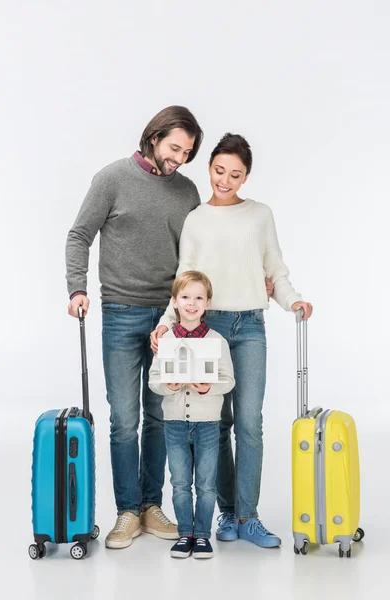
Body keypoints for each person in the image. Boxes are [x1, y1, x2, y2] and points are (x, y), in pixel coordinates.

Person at [151, 133, 313, 548]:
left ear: (246, 177)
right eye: (219, 171)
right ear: (209, 169)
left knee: (250, 424)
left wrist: (293, 301)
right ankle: (225, 514)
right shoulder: (196, 219)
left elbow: (275, 271)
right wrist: (168, 322)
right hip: (209, 329)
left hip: (250, 327)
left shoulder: (260, 215)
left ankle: (248, 517)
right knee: (217, 423)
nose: (225, 180)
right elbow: (185, 278)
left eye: (235, 175)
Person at [65, 106, 204, 549]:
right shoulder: (112, 179)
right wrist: (76, 289)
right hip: (121, 313)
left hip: (169, 319)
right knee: (124, 420)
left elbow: (198, 254)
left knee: (159, 417)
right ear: (154, 137)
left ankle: (150, 505)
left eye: (187, 152)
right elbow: (79, 235)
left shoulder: (187, 192)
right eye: (174, 147)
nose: (179, 159)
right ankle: (126, 512)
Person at [149, 271, 235, 559]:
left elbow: (229, 380)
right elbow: (153, 379)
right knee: (180, 482)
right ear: (174, 302)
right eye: (185, 297)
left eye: (199, 298)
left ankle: (202, 535)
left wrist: (209, 386)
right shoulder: (167, 340)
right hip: (174, 424)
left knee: (206, 483)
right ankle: (185, 533)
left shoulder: (217, 341)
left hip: (208, 424)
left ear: (207, 303)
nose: (191, 303)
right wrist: (167, 386)